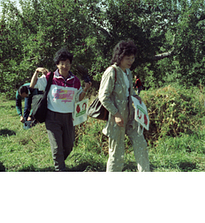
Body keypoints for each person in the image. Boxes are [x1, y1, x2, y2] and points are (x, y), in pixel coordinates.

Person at [30, 48, 92, 171]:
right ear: (57, 64)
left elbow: (78, 98)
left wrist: (85, 89)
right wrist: (37, 71)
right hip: (52, 117)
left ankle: (59, 162)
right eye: (62, 63)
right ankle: (60, 170)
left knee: (68, 146)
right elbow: (32, 85)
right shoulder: (50, 77)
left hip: (69, 117)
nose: (65, 66)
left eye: (68, 62)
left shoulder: (75, 81)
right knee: (57, 147)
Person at [98, 40, 150, 172]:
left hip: (132, 118)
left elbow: (130, 92)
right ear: (119, 57)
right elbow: (103, 96)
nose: (131, 61)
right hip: (117, 119)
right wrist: (116, 114)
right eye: (127, 58)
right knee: (117, 155)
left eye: (133, 58)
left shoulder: (128, 72)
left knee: (141, 145)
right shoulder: (111, 72)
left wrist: (136, 98)